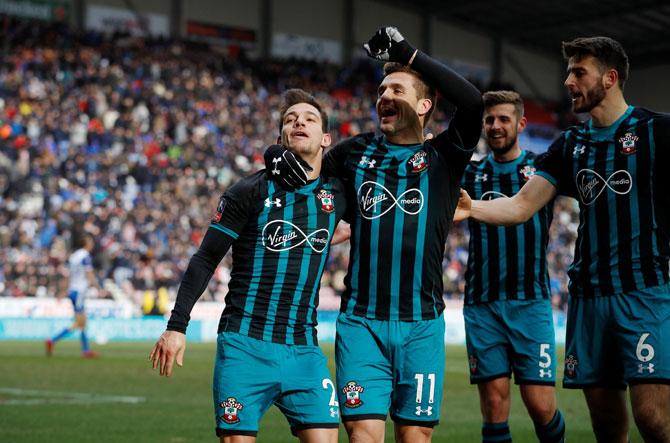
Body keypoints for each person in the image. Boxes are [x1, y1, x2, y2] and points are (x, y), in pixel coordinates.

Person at [267, 27, 483, 443]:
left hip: (421, 324)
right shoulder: (353, 153)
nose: (384, 95)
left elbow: (473, 102)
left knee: (415, 437)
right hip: (361, 323)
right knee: (363, 435)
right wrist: (275, 153)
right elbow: (305, 170)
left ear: (424, 105)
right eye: (381, 88)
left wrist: (409, 54)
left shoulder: (444, 156)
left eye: (397, 89)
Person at [455, 37, 670, 442]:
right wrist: (473, 209)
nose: (568, 81)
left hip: (644, 291)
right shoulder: (570, 145)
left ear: (609, 78)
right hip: (588, 298)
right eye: (569, 71)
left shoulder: (656, 131)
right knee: (606, 423)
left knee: (652, 417)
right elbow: (520, 206)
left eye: (578, 72)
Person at [150, 89, 347, 442]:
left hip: (305, 350)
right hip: (245, 346)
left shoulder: (336, 193)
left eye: (309, 119)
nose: (299, 121)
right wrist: (176, 326)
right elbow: (206, 258)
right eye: (290, 119)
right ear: (279, 139)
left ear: (326, 139)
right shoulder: (249, 190)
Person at [460, 90, 565, 443]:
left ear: (520, 123)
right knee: (493, 402)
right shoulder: (470, 174)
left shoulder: (542, 169)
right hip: (482, 302)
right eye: (489, 119)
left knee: (539, 404)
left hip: (530, 301)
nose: (495, 126)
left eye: (504, 119)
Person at [46, 233, 100, 358]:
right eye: (90, 241)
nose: (92, 244)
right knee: (80, 322)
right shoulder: (85, 256)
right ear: (86, 243)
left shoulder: (74, 256)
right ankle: (53, 340)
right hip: (80, 291)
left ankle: (86, 350)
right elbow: (89, 273)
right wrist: (97, 286)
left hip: (72, 290)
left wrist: (64, 290)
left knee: (82, 322)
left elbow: (69, 275)